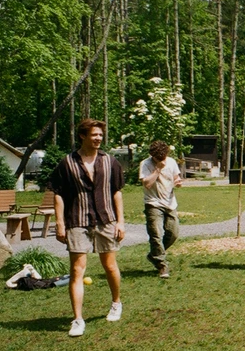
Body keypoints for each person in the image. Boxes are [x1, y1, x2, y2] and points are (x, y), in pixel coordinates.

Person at [50, 119, 125, 338]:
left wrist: (121, 221)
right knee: (76, 270)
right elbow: (58, 194)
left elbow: (117, 192)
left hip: (106, 219)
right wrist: (60, 223)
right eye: (94, 135)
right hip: (77, 220)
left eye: (101, 135)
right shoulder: (67, 163)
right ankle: (78, 320)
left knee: (109, 266)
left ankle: (116, 303)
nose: (98, 138)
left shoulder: (110, 162)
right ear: (83, 136)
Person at [140, 140, 182, 278]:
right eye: (159, 158)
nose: (163, 160)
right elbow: (146, 184)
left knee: (173, 233)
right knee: (156, 234)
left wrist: (177, 181)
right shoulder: (146, 164)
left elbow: (176, 177)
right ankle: (162, 266)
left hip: (170, 203)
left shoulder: (171, 162)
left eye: (164, 157)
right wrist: (158, 168)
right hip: (153, 203)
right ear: (152, 156)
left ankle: (155, 254)